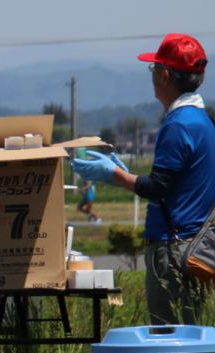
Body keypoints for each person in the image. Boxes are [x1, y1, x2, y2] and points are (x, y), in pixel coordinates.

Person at [73, 33, 215, 325]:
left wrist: (113, 174)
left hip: (172, 251)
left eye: (153, 69)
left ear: (165, 75)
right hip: (196, 248)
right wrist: (126, 173)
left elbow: (157, 187)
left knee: (169, 341)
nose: (151, 76)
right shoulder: (204, 122)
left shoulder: (178, 124)